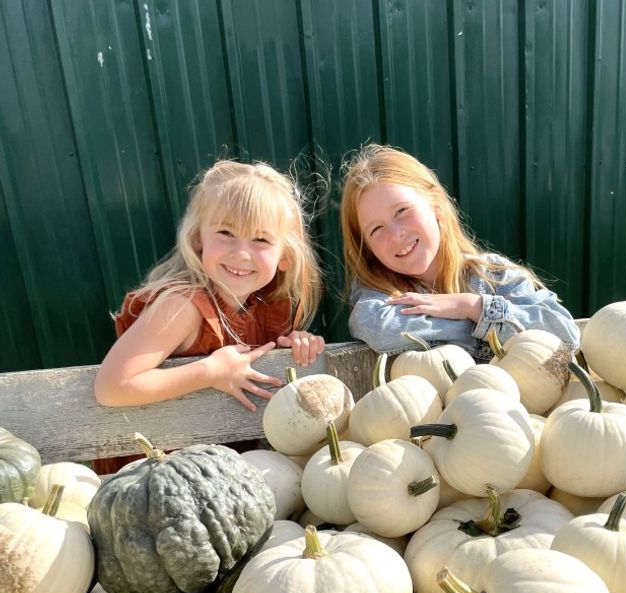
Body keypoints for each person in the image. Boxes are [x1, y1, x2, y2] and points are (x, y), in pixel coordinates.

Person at [94, 159, 325, 414]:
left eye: (260, 239)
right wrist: (210, 371)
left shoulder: (262, 310)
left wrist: (294, 346)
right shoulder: (181, 307)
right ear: (197, 239)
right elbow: (111, 387)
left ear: (285, 256)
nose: (241, 253)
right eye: (226, 233)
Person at [340, 144, 579, 360]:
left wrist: (471, 306)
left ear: (435, 204)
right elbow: (380, 330)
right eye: (376, 229)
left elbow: (566, 336)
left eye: (401, 211)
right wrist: (478, 326)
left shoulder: (495, 276)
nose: (395, 235)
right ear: (367, 246)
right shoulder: (379, 295)